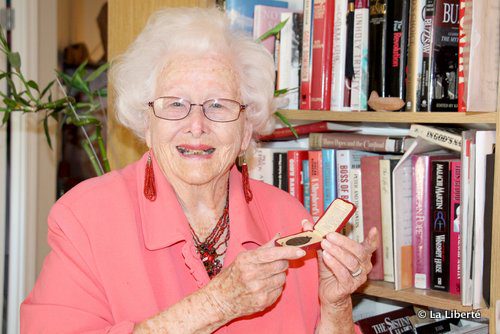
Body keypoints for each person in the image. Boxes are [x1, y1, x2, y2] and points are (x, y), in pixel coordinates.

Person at [21, 7, 378, 333]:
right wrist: (216, 304)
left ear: (246, 130)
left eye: (218, 105)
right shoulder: (86, 218)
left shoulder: (287, 216)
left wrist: (336, 308)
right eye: (175, 103)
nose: (196, 125)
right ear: (146, 124)